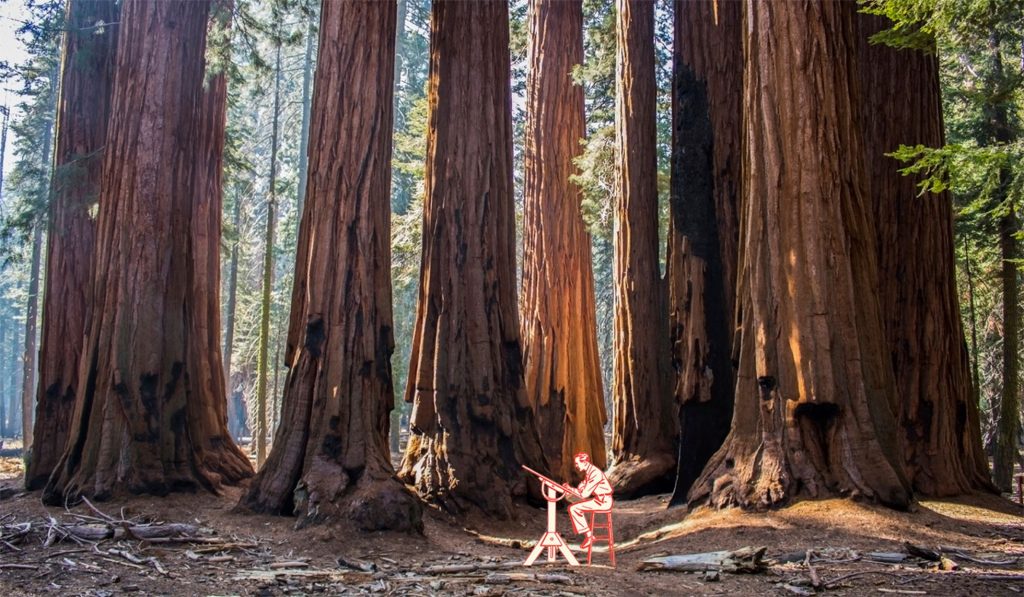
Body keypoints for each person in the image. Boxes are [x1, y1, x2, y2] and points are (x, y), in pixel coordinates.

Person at [565, 452, 613, 549]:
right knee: (574, 508)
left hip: (604, 502)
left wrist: (571, 490)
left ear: (585, 463)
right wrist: (571, 489)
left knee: (574, 509)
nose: (576, 466)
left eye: (577, 463)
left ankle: (589, 536)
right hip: (599, 500)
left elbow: (584, 494)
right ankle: (589, 535)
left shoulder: (595, 473)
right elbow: (581, 490)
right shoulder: (589, 473)